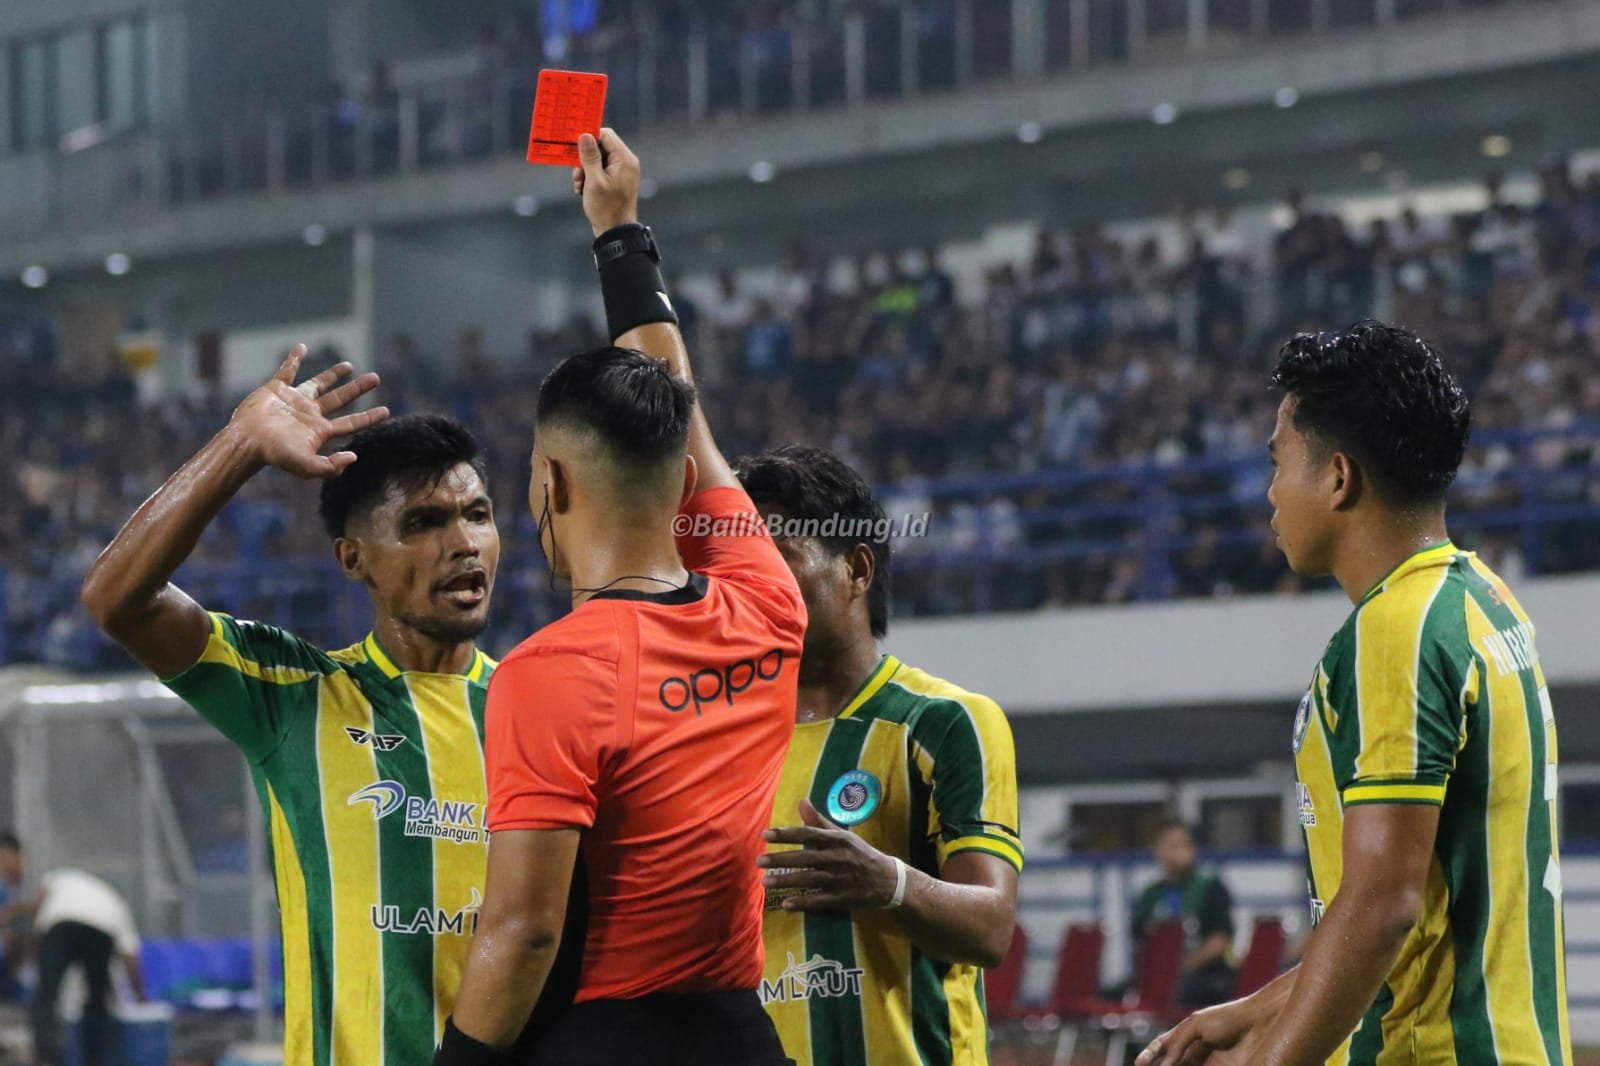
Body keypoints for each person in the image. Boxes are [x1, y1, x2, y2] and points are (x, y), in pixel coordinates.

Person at [434, 127, 805, 1066]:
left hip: (601, 1040)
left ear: (551, 482)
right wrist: (620, 232)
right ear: (683, 483)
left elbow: (525, 931)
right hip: (739, 1036)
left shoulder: (547, 674)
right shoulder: (767, 601)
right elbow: (688, 418)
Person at [1139, 321, 1570, 1066]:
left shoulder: (1395, 630)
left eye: (1278, 462)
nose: (1270, 493)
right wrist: (1256, 1010)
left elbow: (1380, 909)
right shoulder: (1484, 600)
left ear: (1337, 478)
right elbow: (1421, 913)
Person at [81, 358, 506, 1065]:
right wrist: (239, 446)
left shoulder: (537, 709)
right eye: (425, 522)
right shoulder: (297, 692)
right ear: (353, 558)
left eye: (478, 515)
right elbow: (117, 601)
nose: (463, 543)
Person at [740, 444, 1021, 1065]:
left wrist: (887, 882)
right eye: (739, 567)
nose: (751, 587)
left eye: (777, 558)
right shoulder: (725, 744)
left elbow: (991, 926)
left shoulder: (945, 722)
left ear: (857, 569)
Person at [27, 866, 145, 1066]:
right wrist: (140, 997)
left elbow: (39, 898)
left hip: (62, 925)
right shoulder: (113, 900)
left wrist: (35, 925)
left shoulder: (62, 878)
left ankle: (45, 1058)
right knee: (97, 998)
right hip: (101, 930)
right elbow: (131, 957)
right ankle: (94, 1059)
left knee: (47, 993)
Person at [1129, 821, 1235, 1007]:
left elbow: (1219, 941)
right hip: (1159, 976)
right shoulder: (1150, 895)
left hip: (1206, 975)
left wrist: (1182, 967)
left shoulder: (1210, 889)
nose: (1176, 853)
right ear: (1157, 851)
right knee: (1114, 993)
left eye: (1182, 846)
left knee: (1180, 992)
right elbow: (1140, 943)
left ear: (1193, 850)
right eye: (1170, 846)